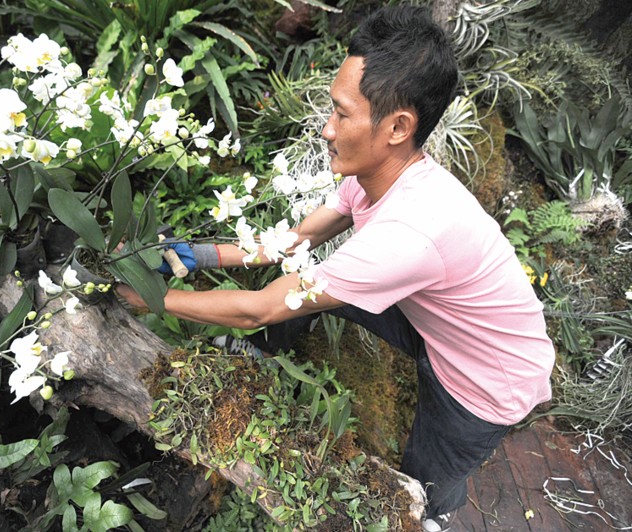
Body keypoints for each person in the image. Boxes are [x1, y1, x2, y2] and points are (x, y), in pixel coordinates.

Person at [118, 5, 555, 531]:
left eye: (342, 114)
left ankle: (435, 519)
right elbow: (295, 243)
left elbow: (260, 306)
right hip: (436, 325)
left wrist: (145, 297)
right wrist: (196, 255)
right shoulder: (378, 175)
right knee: (310, 280)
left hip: (486, 378)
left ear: (398, 127)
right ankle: (260, 356)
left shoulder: (409, 233)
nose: (327, 129)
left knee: (424, 479)